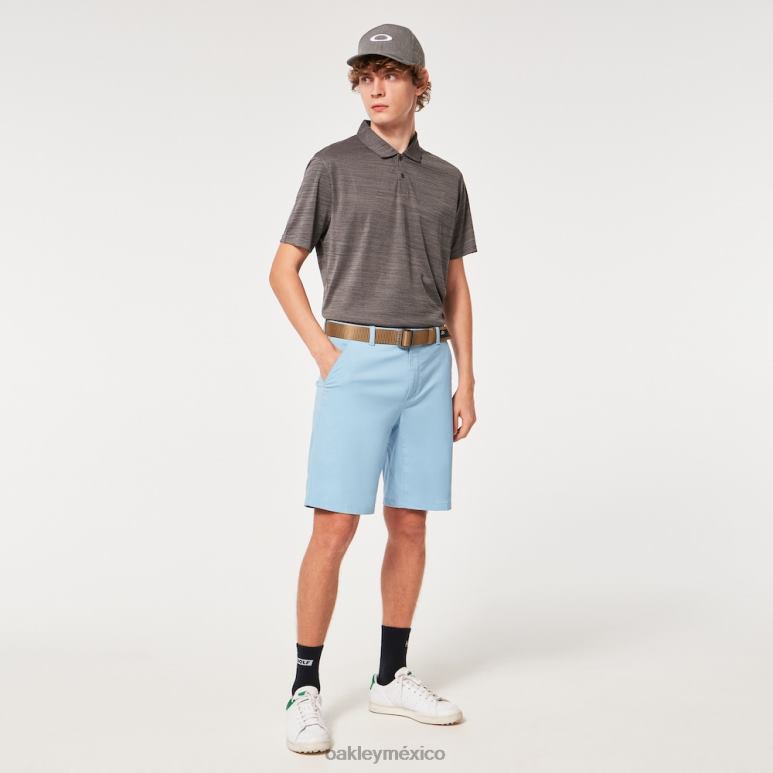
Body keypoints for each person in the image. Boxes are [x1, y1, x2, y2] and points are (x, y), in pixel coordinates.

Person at [269, 23, 478, 754]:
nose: (375, 89)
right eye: (365, 76)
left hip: (428, 366)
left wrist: (466, 377)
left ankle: (391, 676)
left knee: (411, 522)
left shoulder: (446, 179)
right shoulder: (331, 165)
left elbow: (456, 285)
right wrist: (328, 357)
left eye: (390, 74)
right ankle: (304, 686)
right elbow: (283, 269)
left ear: (421, 83)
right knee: (334, 526)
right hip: (355, 363)